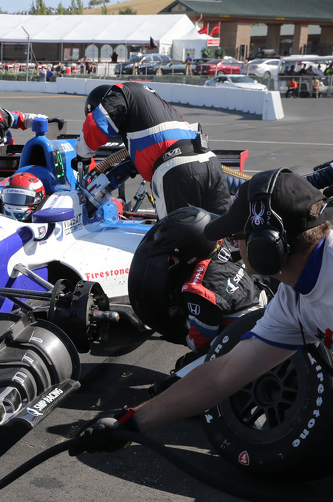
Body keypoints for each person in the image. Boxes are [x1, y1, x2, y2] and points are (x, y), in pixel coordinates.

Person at [70, 169, 333, 454]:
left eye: (237, 236)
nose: (233, 245)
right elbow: (222, 374)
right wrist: (130, 424)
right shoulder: (291, 300)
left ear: (265, 245)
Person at [128, 206, 267, 372]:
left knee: (184, 369)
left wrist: (182, 338)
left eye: (172, 253)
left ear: (189, 251)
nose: (170, 258)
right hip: (263, 314)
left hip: (244, 340)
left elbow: (202, 339)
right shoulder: (222, 248)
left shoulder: (197, 289)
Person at [71, 82, 230, 219]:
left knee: (178, 240)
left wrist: (82, 156)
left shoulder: (120, 93)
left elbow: (94, 125)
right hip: (210, 162)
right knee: (219, 232)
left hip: (178, 170)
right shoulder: (154, 105)